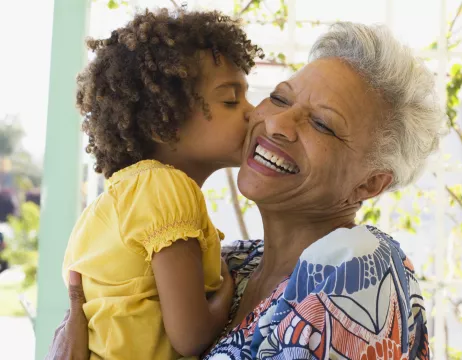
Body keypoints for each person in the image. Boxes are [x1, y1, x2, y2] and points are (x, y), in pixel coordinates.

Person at [47, 22, 442, 359]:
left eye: (322, 123)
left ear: (370, 182)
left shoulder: (357, 271)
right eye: (280, 97)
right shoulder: (232, 262)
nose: (274, 123)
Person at [61, 8, 263, 360]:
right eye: (231, 99)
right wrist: (230, 296)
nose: (252, 111)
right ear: (163, 123)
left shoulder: (119, 199)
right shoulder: (167, 188)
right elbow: (190, 337)